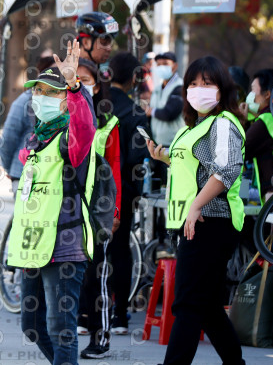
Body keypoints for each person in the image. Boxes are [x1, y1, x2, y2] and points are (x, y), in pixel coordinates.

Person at [148, 56, 246, 365]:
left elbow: (226, 170)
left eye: (207, 83)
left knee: (188, 304)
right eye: (193, 83)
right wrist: (164, 157)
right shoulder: (194, 126)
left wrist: (196, 205)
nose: (198, 88)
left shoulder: (223, 123)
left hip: (210, 220)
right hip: (195, 220)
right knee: (206, 306)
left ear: (222, 88)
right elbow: (198, 168)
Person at [9, 41, 96, 365]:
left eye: (49, 92)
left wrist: (74, 86)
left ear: (65, 101)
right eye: (38, 91)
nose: (40, 97)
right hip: (34, 246)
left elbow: (86, 125)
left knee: (61, 329)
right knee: (31, 325)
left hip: (65, 248)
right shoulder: (38, 138)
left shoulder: (72, 140)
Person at [76, 57, 123, 359]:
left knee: (97, 277)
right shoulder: (60, 116)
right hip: (66, 209)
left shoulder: (109, 124)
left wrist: (114, 211)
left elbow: (115, 167)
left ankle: (100, 338)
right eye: (73, 78)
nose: (79, 84)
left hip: (97, 211)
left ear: (96, 85)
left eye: (85, 79)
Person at [107, 52, 150, 335]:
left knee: (91, 251)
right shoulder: (135, 113)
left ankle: (85, 313)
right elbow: (138, 157)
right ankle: (119, 315)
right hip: (122, 192)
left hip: (92, 189)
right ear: (134, 78)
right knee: (120, 251)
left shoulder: (96, 105)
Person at [0, 56, 54, 198]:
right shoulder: (25, 101)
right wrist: (10, 169)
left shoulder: (64, 102)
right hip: (23, 175)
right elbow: (8, 139)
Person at [241, 69, 273, 202]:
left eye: (253, 89)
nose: (250, 95)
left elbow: (238, 152)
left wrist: (240, 123)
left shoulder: (266, 122)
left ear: (267, 94)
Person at [145, 52, 185, 148]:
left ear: (175, 66)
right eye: (158, 64)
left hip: (174, 144)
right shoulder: (157, 89)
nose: (161, 67)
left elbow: (169, 113)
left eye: (165, 64)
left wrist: (151, 111)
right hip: (157, 143)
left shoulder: (180, 87)